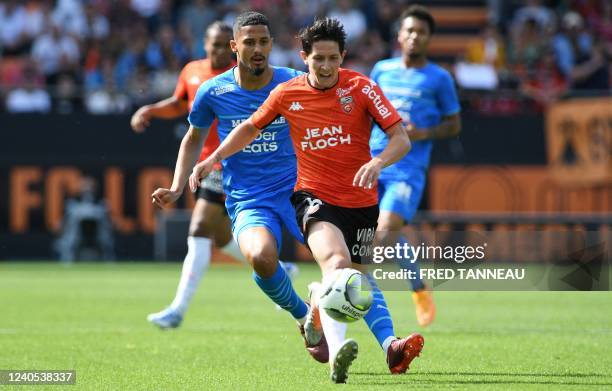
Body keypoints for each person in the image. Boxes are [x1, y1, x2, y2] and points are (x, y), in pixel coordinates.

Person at [191, 17, 424, 384]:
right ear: (304, 58)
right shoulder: (287, 93)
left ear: (343, 57)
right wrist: (211, 159)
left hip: (362, 204)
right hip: (314, 199)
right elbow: (249, 127)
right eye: (319, 59)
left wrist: (378, 162)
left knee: (359, 280)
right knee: (337, 263)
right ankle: (334, 355)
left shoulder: (362, 88)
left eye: (334, 59)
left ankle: (391, 346)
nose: (327, 67)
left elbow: (401, 139)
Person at [150, 11, 327, 363]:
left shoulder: (292, 81)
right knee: (235, 244)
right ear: (232, 46)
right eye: (249, 42)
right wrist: (175, 185)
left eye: (263, 41)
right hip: (226, 173)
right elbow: (191, 133)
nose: (257, 48)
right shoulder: (205, 84)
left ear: (272, 44)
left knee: (343, 259)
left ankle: (386, 341)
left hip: (298, 188)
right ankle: (302, 310)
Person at [131, 21, 236, 329]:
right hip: (203, 164)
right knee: (221, 236)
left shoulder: (239, 77)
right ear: (205, 44)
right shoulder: (192, 71)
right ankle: (280, 267)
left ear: (233, 47)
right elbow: (179, 104)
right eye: (214, 44)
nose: (218, 50)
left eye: (224, 44)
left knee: (199, 227)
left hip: (230, 164)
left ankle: (177, 309)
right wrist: (150, 109)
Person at [369, 5, 461, 327]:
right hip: (374, 162)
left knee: (383, 235)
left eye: (421, 32)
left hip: (407, 168)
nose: (414, 36)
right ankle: (419, 286)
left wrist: (423, 133)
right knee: (375, 234)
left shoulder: (440, 79)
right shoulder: (381, 70)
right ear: (399, 35)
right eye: (409, 30)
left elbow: (454, 124)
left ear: (429, 38)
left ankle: (364, 298)